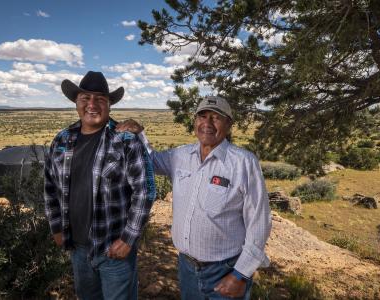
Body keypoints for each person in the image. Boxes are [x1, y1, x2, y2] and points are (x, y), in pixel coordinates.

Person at [117, 96, 271, 300]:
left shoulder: (244, 163)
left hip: (226, 270)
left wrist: (240, 274)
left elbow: (259, 223)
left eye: (216, 118)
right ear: (195, 121)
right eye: (202, 116)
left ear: (229, 124)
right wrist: (139, 133)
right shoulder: (180, 155)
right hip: (186, 267)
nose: (207, 123)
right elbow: (150, 161)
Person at [44, 71, 156, 300]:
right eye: (85, 98)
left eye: (100, 99)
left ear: (109, 106)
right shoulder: (62, 139)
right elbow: (49, 187)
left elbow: (145, 191)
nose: (92, 105)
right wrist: (56, 227)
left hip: (114, 249)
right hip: (77, 247)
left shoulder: (125, 140)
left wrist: (128, 239)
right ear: (76, 102)